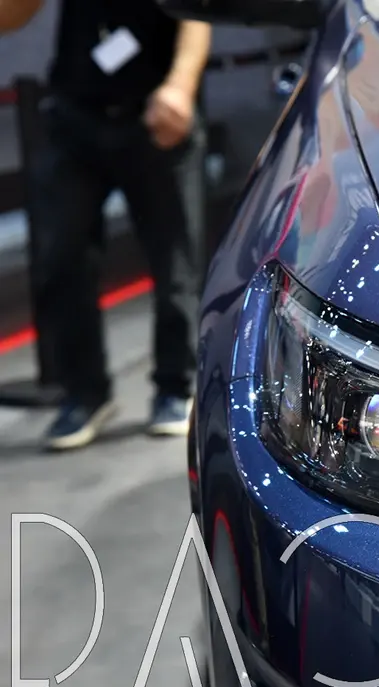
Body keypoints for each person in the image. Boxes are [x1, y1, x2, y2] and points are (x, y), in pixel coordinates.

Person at [0, 0, 211, 449]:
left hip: (156, 111)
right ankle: (83, 393)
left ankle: (177, 386)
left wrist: (180, 86)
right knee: (62, 260)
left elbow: (197, 15)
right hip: (76, 111)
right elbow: (9, 18)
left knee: (175, 259)